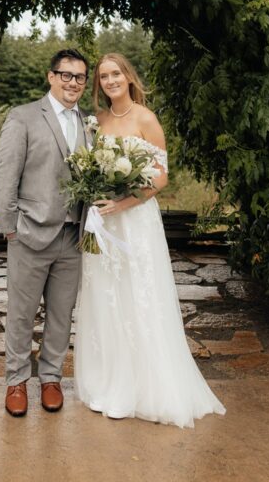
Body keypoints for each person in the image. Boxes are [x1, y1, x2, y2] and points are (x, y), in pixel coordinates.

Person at [74, 52, 226, 428]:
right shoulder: (97, 121)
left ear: (128, 77)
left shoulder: (146, 118)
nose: (110, 81)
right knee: (105, 297)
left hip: (135, 222)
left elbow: (160, 177)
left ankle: (143, 390)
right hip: (103, 222)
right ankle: (108, 383)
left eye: (116, 74)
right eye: (103, 76)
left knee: (138, 296)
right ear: (99, 84)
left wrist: (123, 202)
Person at [0, 48, 88, 417]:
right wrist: (10, 227)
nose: (73, 83)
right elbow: (5, 175)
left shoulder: (89, 123)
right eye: (66, 75)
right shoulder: (24, 117)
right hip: (30, 233)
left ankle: (51, 378)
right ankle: (16, 381)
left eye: (80, 77)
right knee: (21, 314)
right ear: (51, 77)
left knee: (61, 315)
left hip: (73, 236)